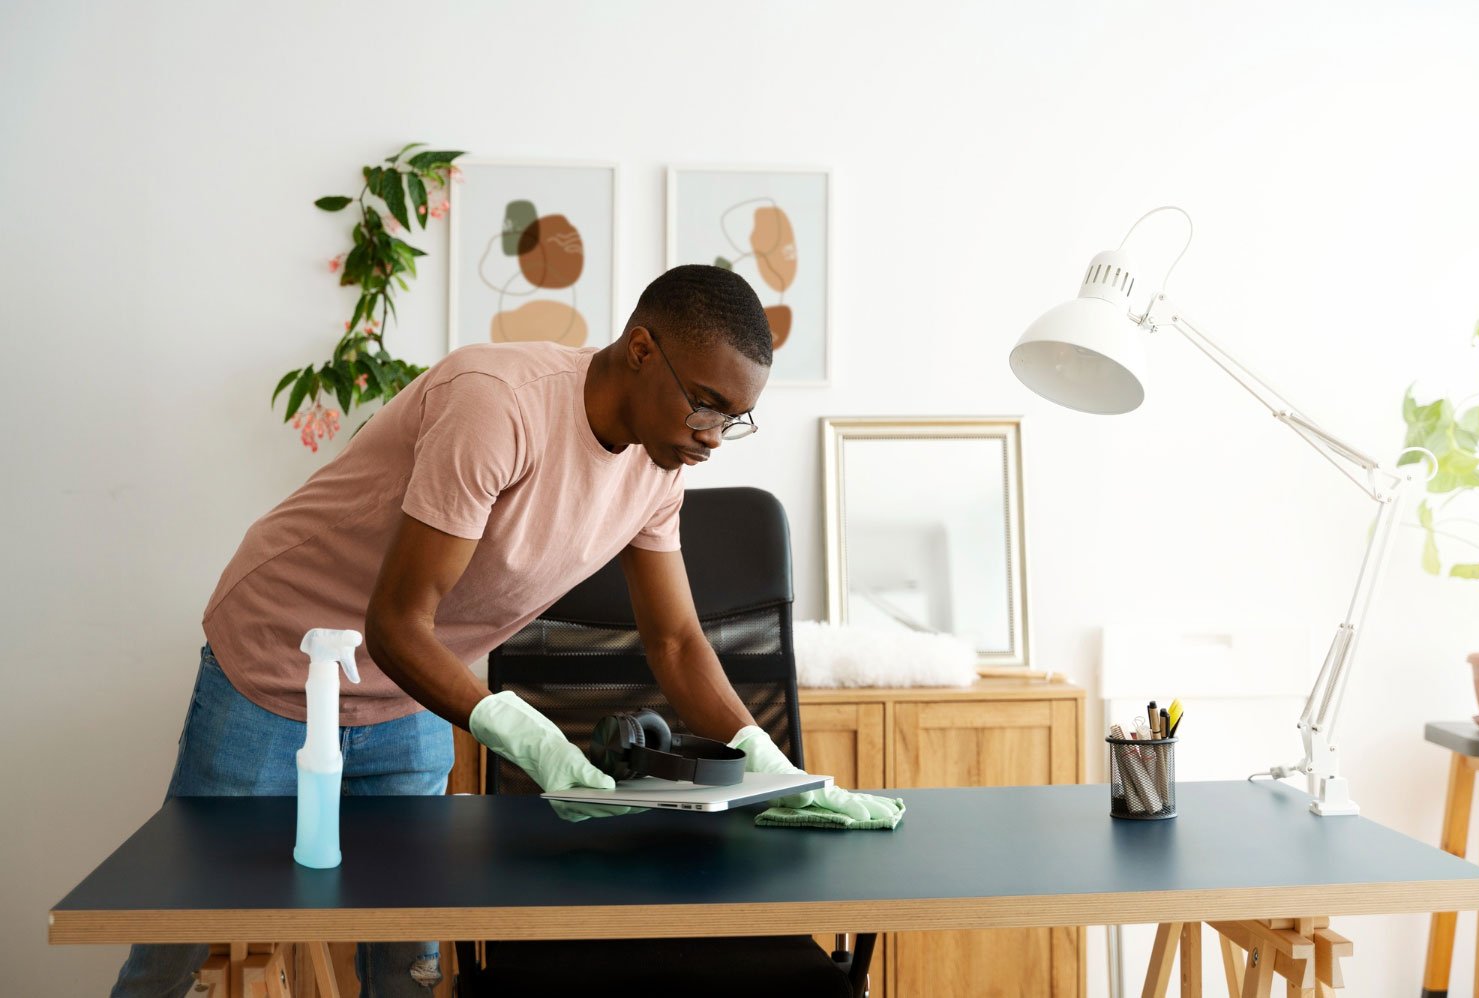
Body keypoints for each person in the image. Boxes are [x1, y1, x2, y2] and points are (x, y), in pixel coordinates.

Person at [110, 265, 898, 997]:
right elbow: (395, 622)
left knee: (409, 952)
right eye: (704, 404)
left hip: (406, 688)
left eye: (736, 416)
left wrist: (772, 765)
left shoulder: (658, 472)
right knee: (183, 927)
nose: (713, 436)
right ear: (639, 350)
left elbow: (678, 645)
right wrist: (534, 737)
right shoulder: (499, 405)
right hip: (278, 660)